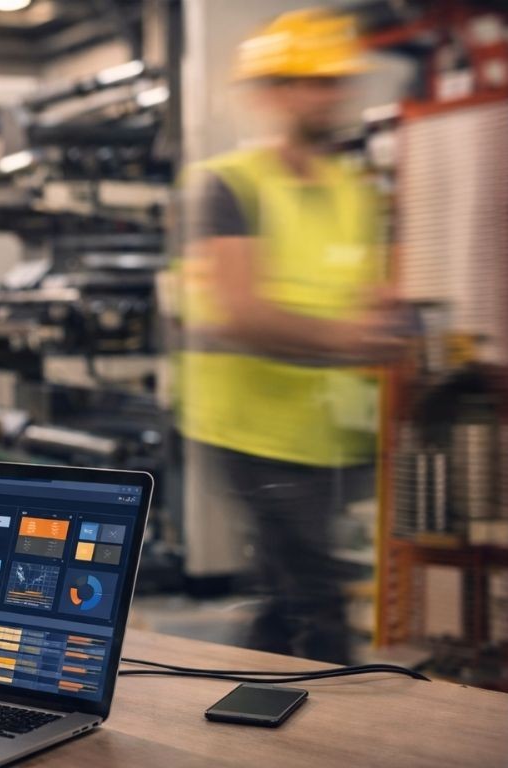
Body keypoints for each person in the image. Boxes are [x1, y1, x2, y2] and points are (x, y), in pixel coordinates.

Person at [178, 9, 410, 664]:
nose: (331, 94)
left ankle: (241, 727)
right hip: (248, 429)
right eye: (314, 81)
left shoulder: (351, 189)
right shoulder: (228, 185)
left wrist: (388, 321)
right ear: (274, 92)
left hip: (325, 433)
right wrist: (352, 338)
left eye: (336, 81)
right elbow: (240, 312)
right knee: (318, 607)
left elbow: (369, 298)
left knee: (284, 607)